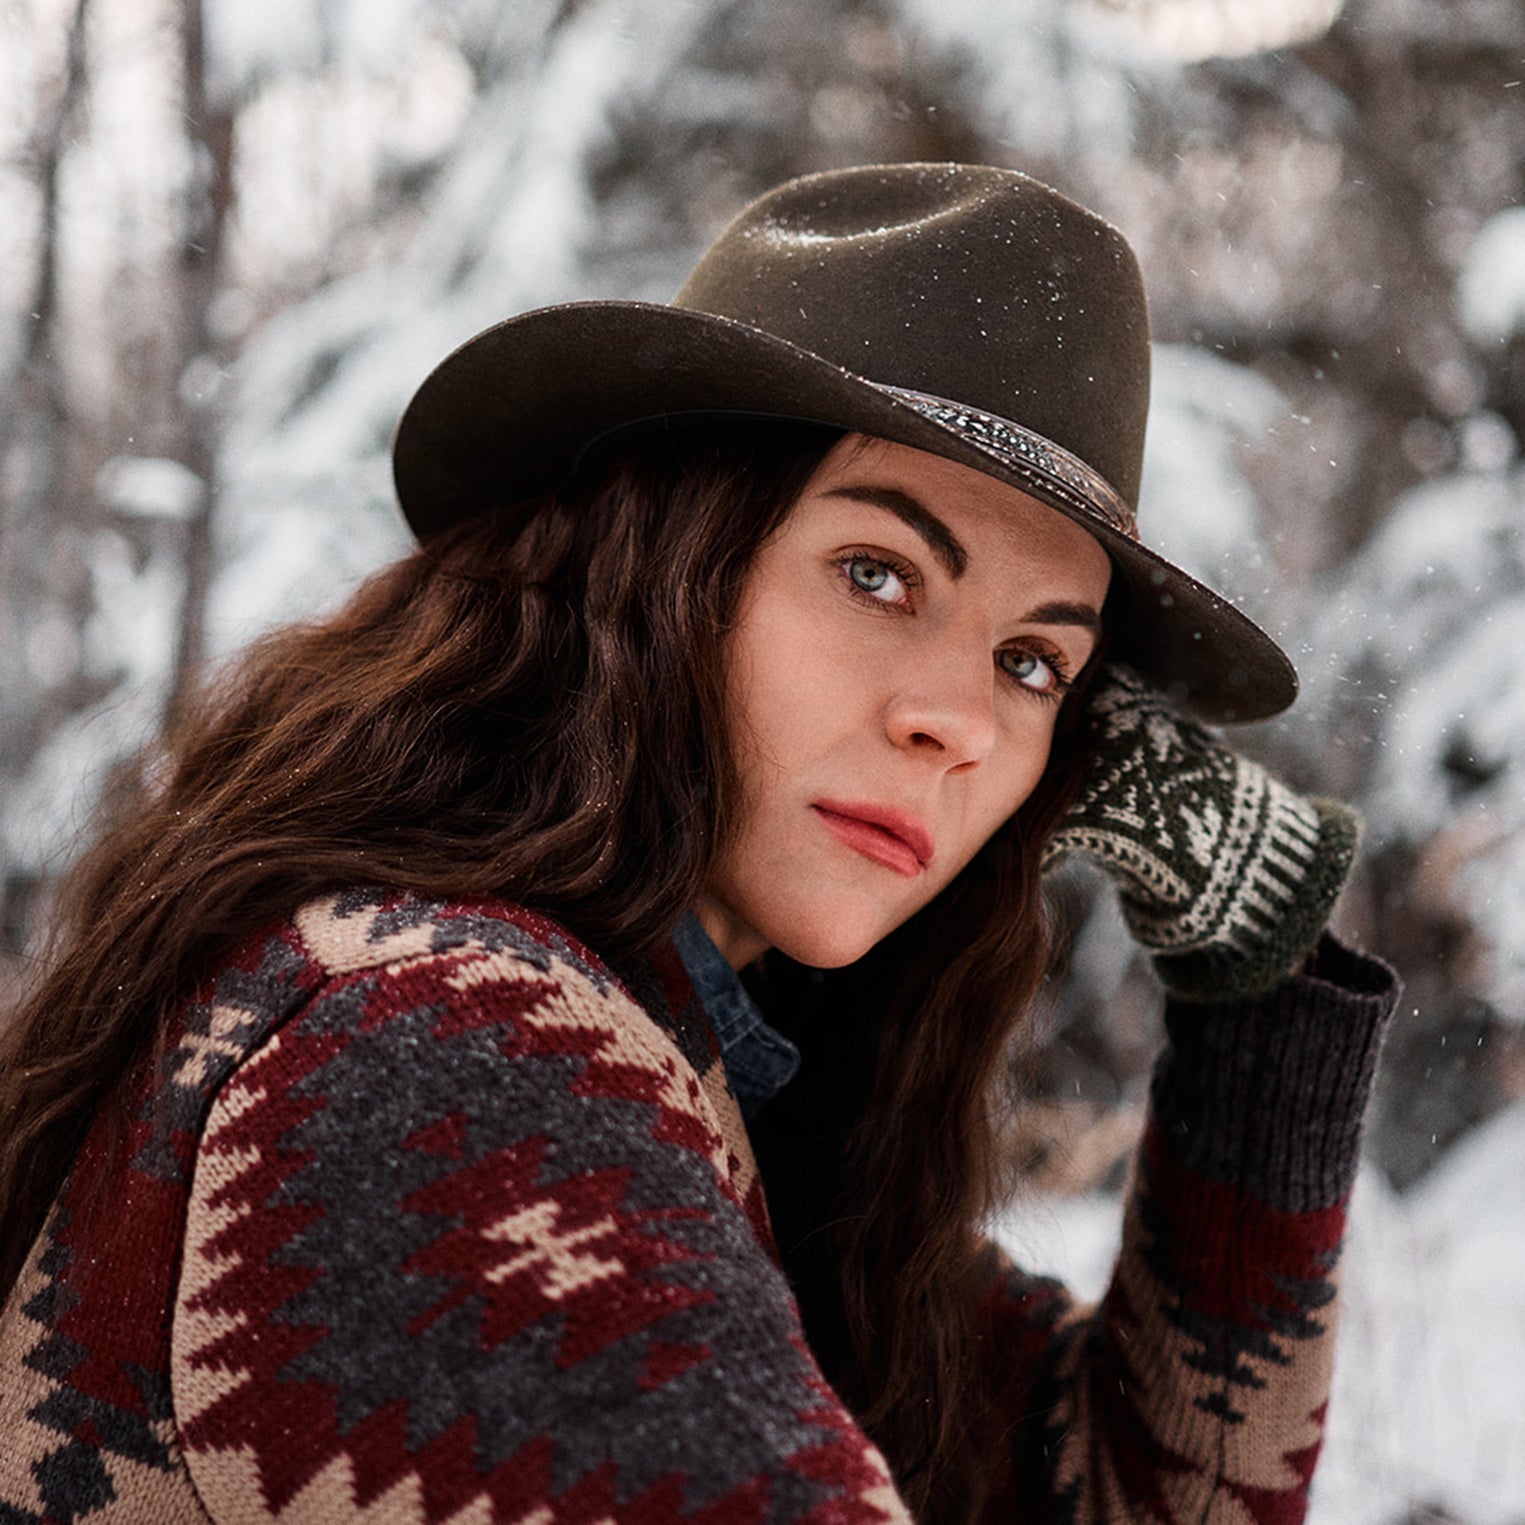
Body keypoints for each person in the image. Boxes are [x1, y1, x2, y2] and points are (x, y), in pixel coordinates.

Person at [0, 163, 1397, 1524]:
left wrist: (1256, 967)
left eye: (1034, 663)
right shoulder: (441, 1060)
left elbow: (1125, 1494)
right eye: (876, 573)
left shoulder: (723, 1089)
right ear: (660, 569)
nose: (956, 719)